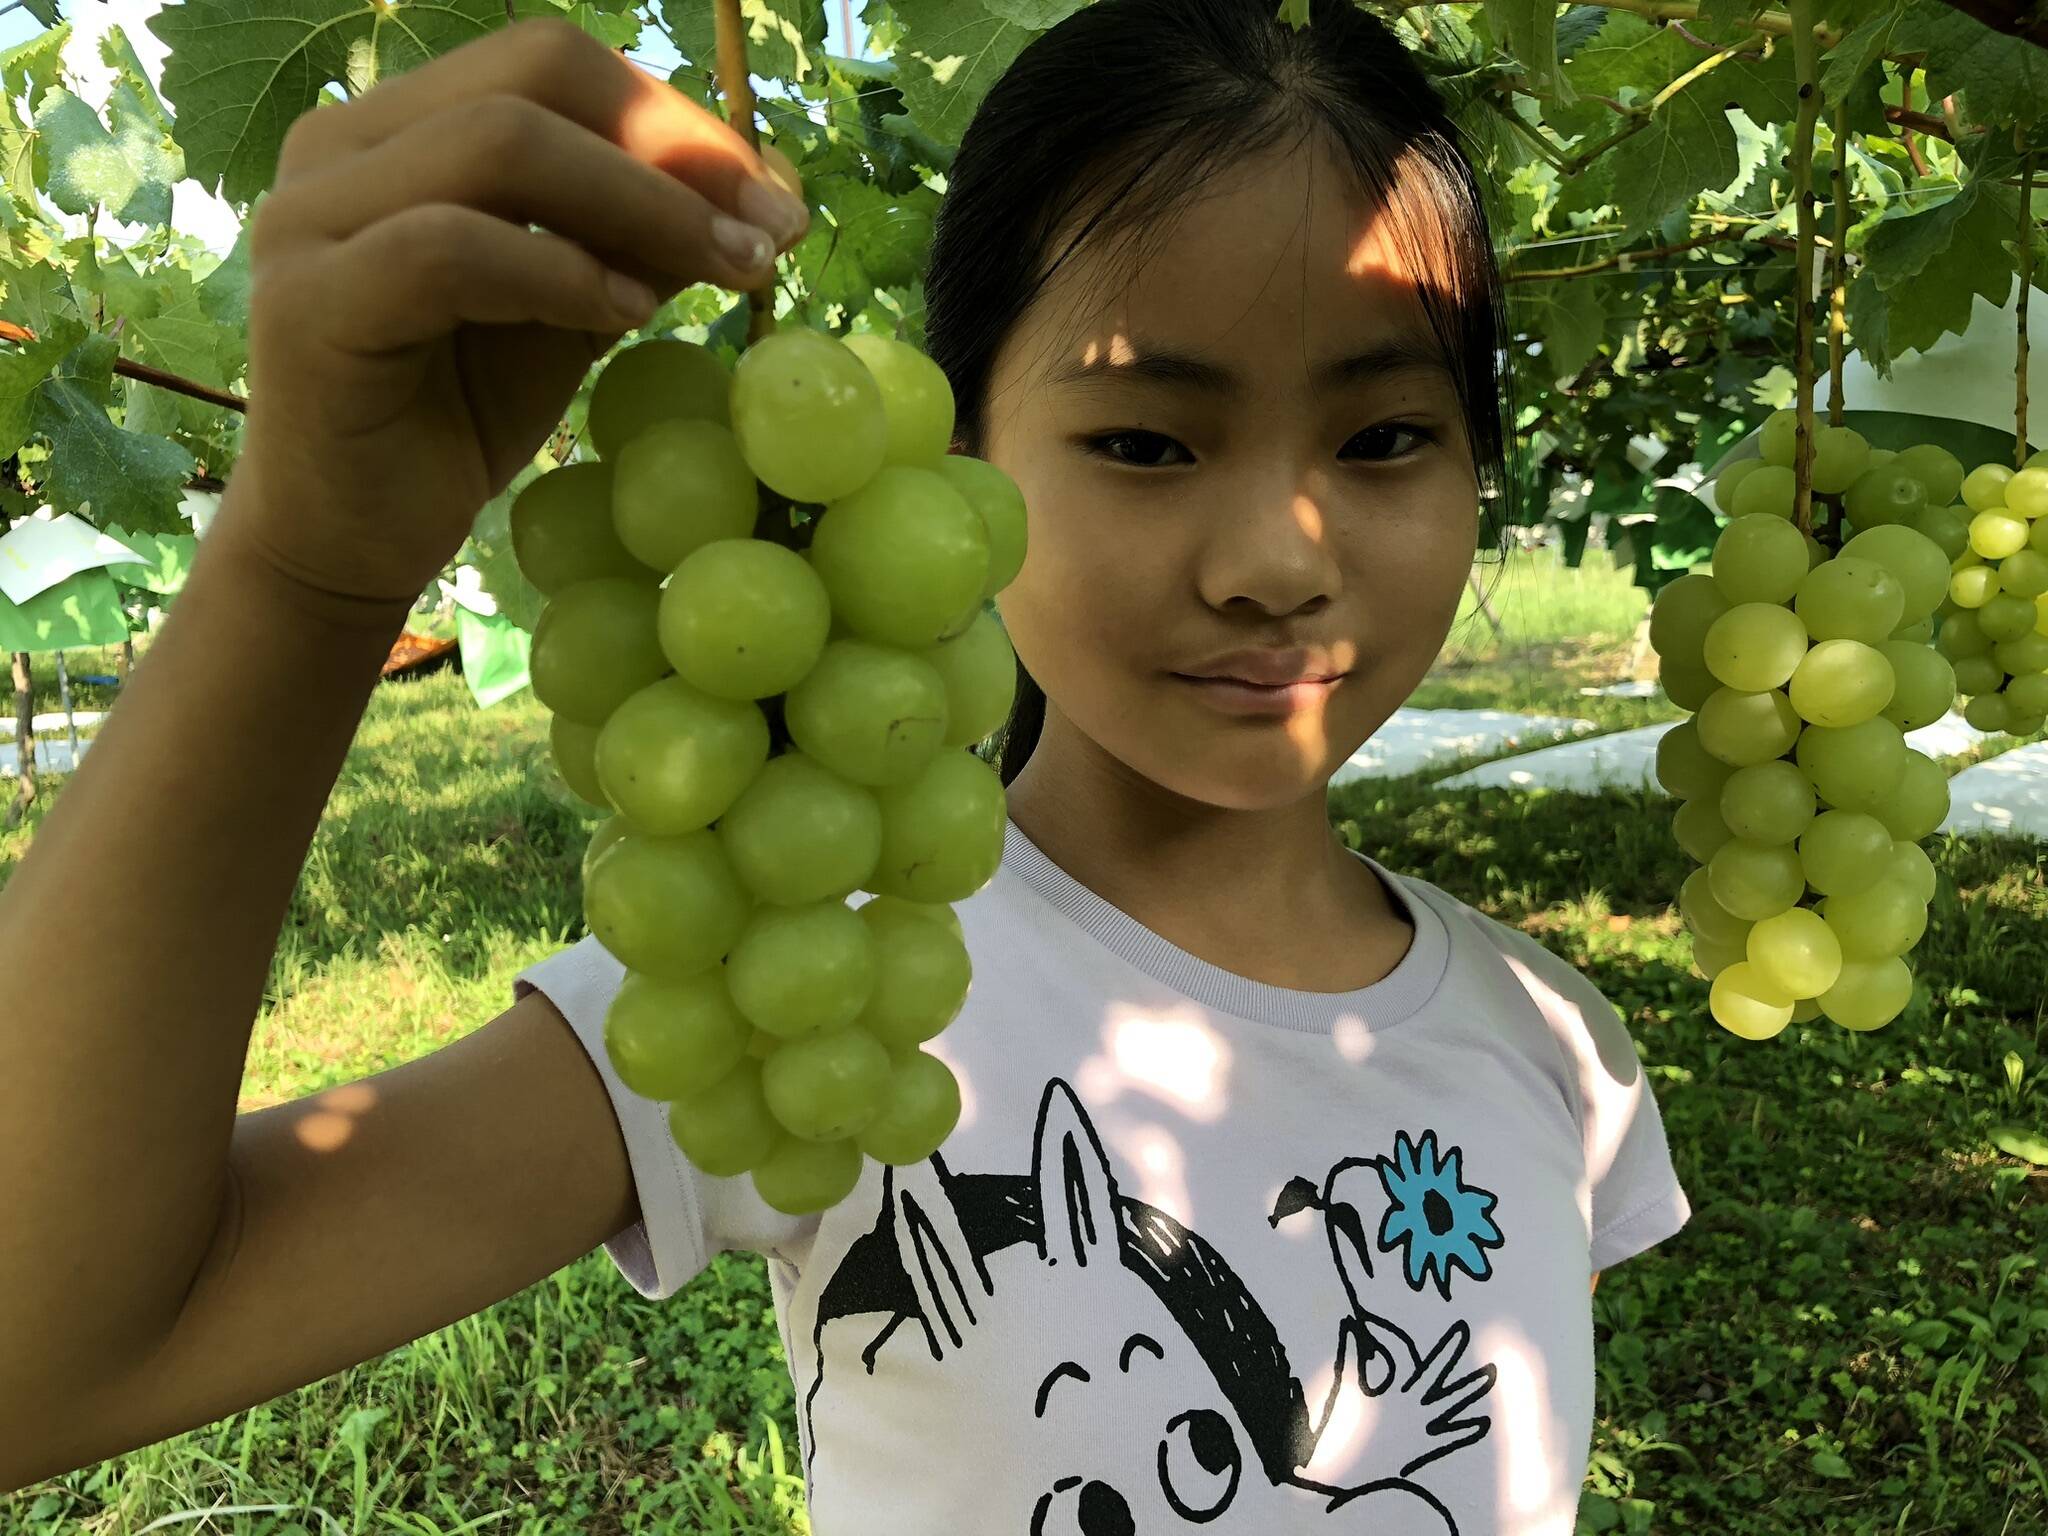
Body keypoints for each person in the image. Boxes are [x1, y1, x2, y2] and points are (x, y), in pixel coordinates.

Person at [0, 1, 1691, 1530]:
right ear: (952, 470)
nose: (1275, 556)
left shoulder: (1561, 1056)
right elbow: (41, 1361)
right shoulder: (800, 986)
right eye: (1145, 441)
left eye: (1387, 435)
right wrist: (306, 573)